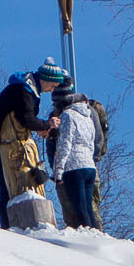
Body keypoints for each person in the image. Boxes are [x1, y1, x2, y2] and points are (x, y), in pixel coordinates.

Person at [0, 58, 66, 229]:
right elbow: (25, 119)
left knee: (17, 179)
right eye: (53, 85)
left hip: (6, 139)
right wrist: (46, 125)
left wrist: (39, 127)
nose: (52, 90)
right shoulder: (23, 91)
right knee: (7, 181)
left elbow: (26, 120)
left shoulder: (29, 90)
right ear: (45, 78)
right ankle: (9, 225)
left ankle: (13, 222)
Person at [49, 85, 101, 230]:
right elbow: (93, 142)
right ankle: (97, 234)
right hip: (89, 166)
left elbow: (64, 144)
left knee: (79, 209)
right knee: (89, 208)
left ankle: (89, 241)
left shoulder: (67, 116)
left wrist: (58, 172)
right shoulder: (87, 116)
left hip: (73, 167)